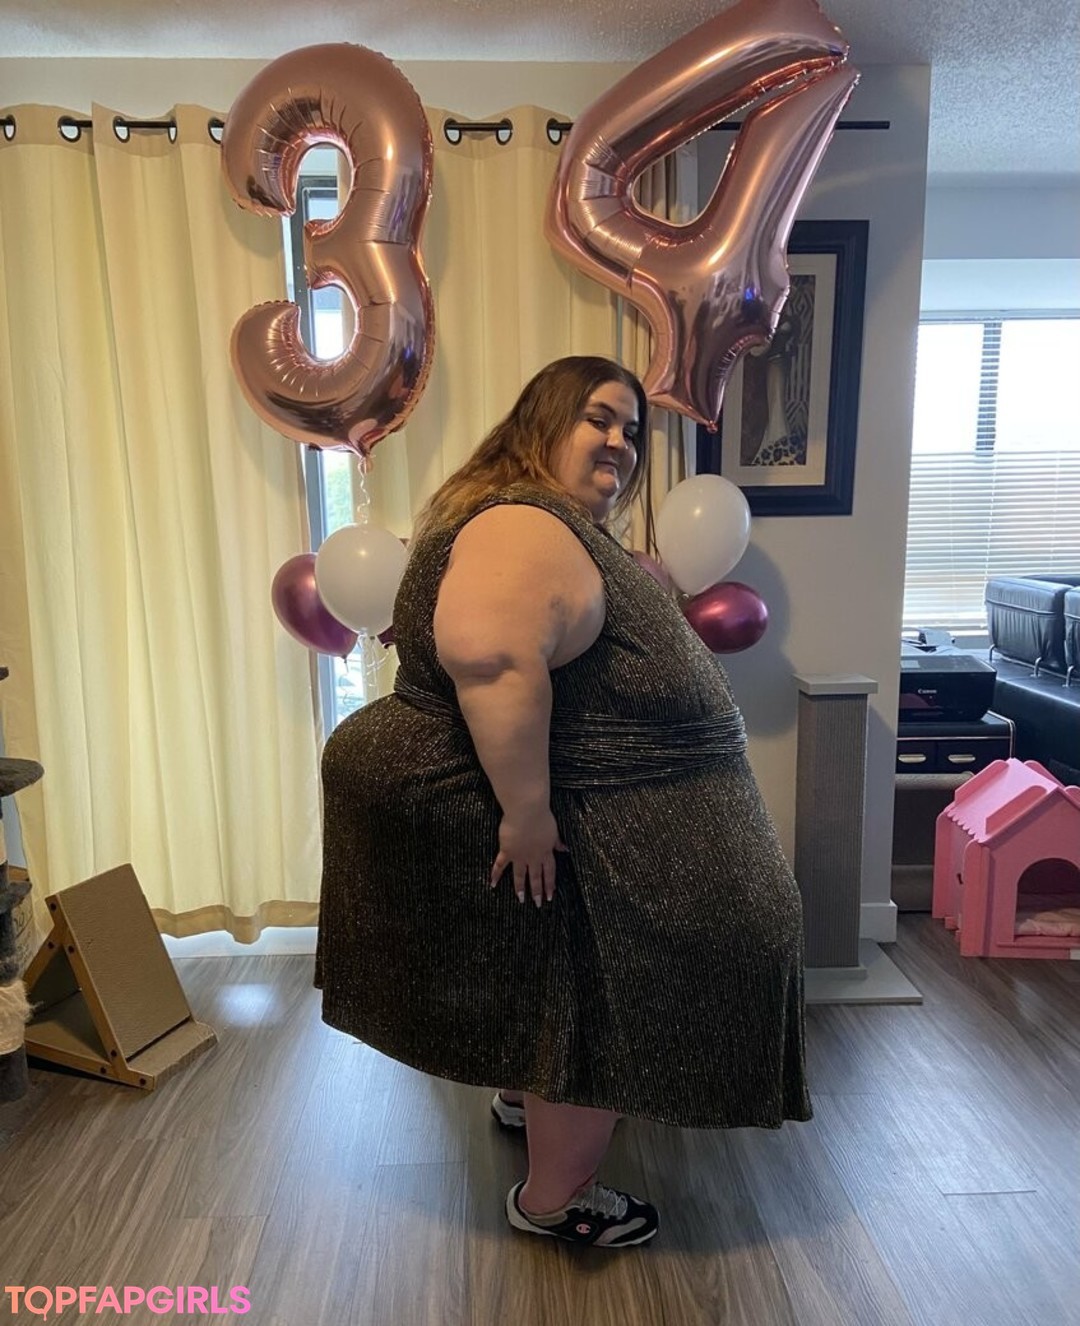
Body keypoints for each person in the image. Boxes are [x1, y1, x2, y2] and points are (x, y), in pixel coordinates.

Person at [315, 355, 811, 1250]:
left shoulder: (539, 521)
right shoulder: (521, 522)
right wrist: (527, 814)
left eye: (632, 429)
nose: (621, 441)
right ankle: (559, 1198)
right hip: (563, 815)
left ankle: (526, 1090)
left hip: (586, 805)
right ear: (540, 422)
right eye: (598, 418)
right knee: (597, 991)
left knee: (545, 967)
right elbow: (492, 657)